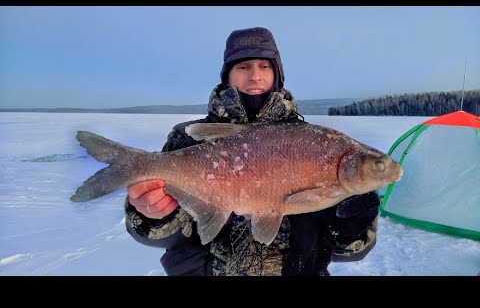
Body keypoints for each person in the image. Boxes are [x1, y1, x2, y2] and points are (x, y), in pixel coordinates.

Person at [124, 26, 380, 276]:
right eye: (243, 66)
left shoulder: (315, 143)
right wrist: (153, 216)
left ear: (277, 74)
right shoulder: (189, 138)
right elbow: (165, 235)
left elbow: (351, 252)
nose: (255, 75)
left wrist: (351, 227)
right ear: (227, 75)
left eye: (264, 66)